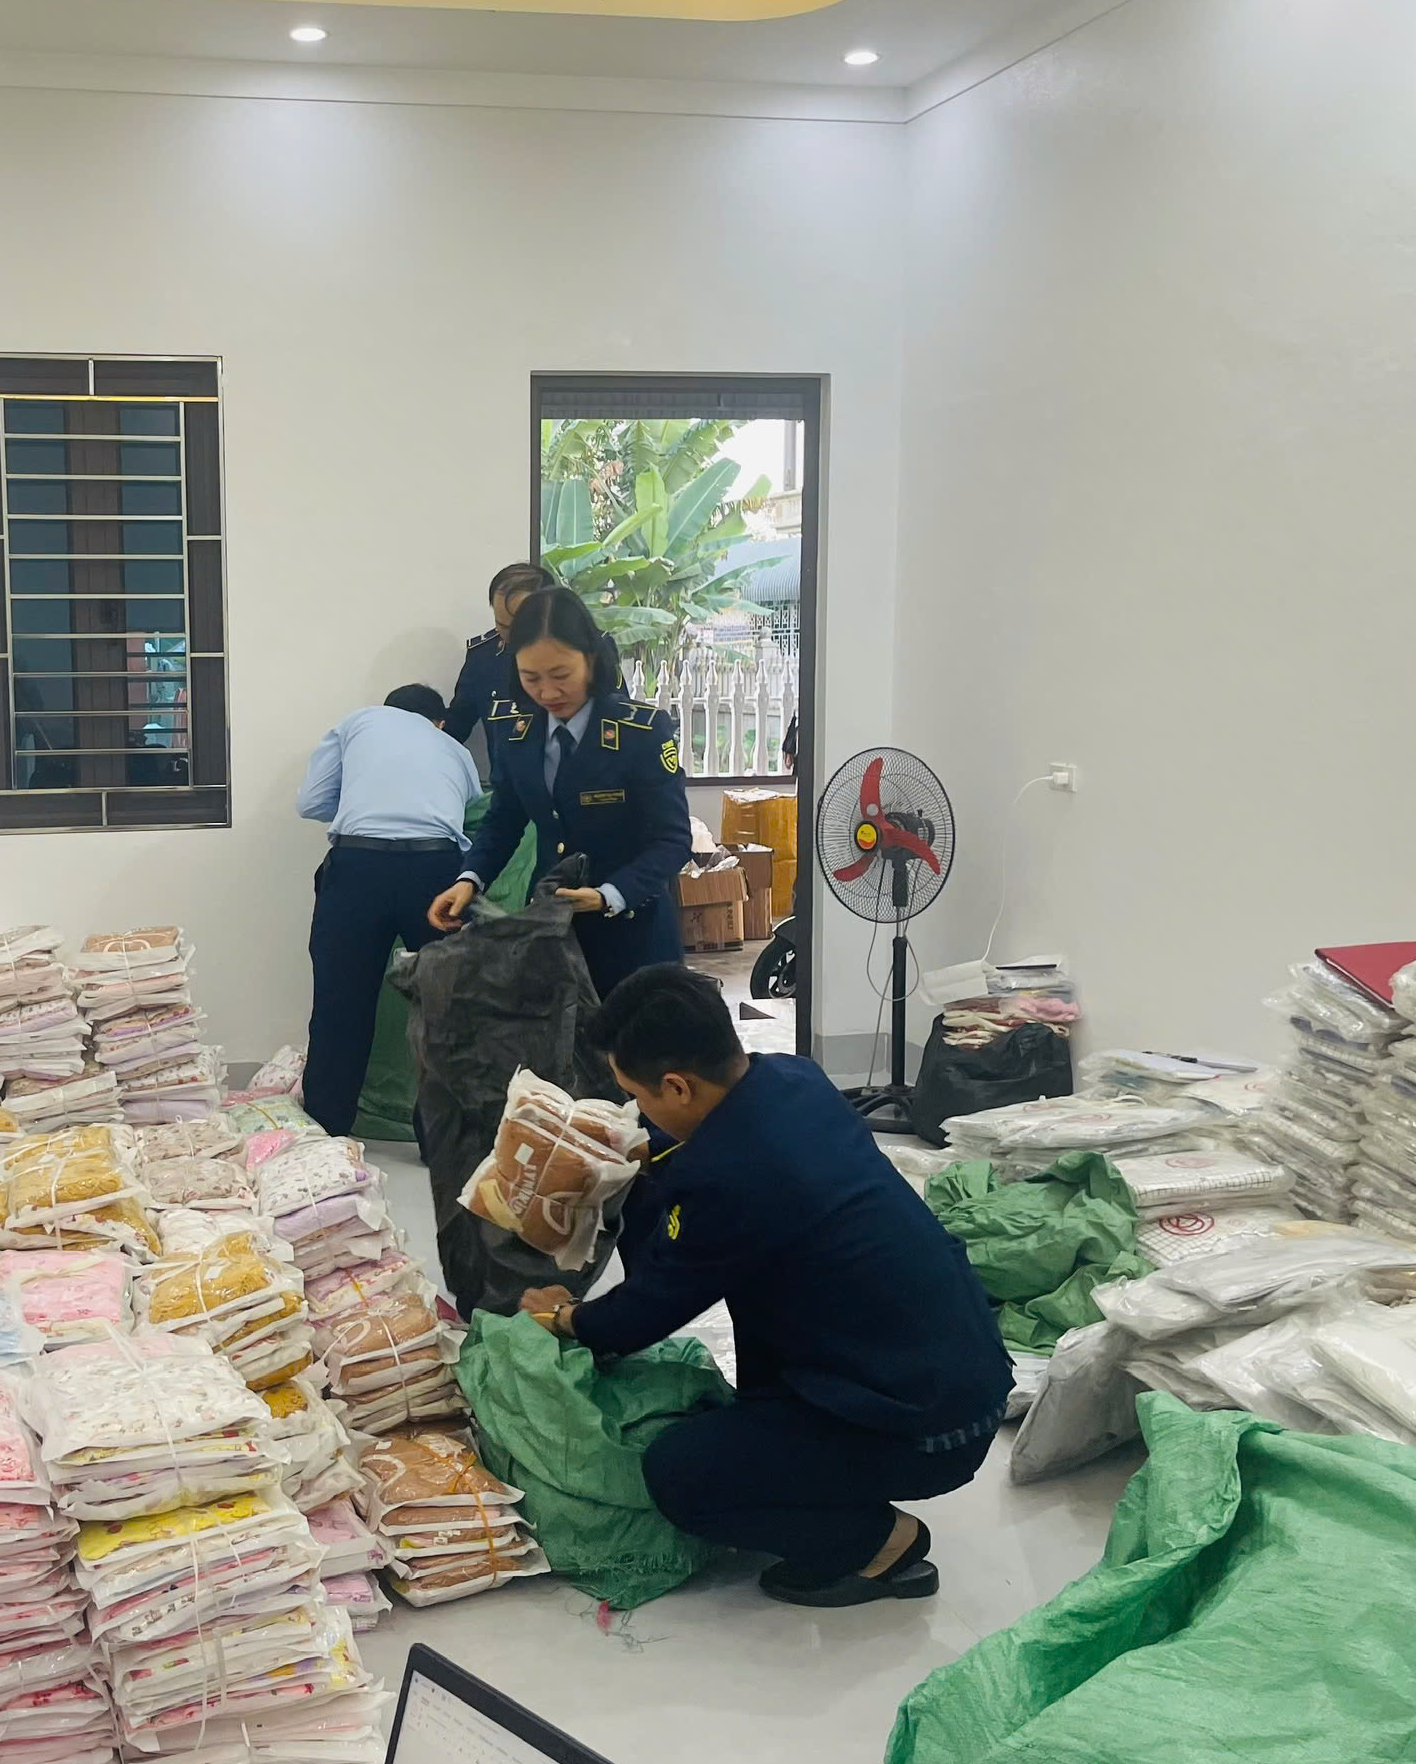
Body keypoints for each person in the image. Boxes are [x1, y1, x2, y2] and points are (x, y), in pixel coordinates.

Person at [521, 966, 1012, 1608]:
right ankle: (808, 1466)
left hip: (927, 1430)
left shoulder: (727, 1181)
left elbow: (642, 1314)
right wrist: (640, 1152)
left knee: (678, 1475)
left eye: (637, 1097)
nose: (638, 1113)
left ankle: (878, 1544)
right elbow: (705, 1160)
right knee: (758, 1333)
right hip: (961, 1376)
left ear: (678, 1085)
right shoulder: (794, 1079)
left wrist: (565, 1316)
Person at [425, 585, 689, 997]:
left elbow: (672, 841)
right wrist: (470, 879)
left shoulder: (640, 733)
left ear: (591, 660)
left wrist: (608, 895)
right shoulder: (516, 733)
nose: (547, 692)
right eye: (531, 678)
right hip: (552, 936)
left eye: (561, 675)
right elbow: (503, 820)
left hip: (635, 937)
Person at [294, 682, 485, 1135]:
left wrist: (362, 805)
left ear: (386, 710)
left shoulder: (358, 722)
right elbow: (470, 804)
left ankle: (327, 1132)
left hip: (358, 865)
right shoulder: (455, 750)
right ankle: (441, 1140)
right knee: (445, 1005)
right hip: (438, 873)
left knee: (341, 1002)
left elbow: (310, 802)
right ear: (440, 722)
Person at [440, 560, 556, 747]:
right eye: (502, 625)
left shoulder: (586, 652)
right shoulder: (484, 659)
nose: (511, 637)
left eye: (520, 627)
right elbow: (455, 726)